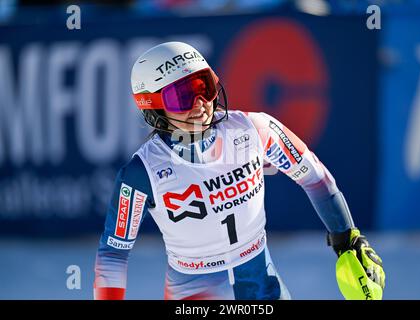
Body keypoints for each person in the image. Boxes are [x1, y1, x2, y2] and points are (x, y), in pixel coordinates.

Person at [93, 41, 385, 300]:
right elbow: (114, 252)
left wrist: (347, 239)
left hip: (263, 286)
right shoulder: (142, 172)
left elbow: (315, 178)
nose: (200, 104)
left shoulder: (256, 129)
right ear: (153, 107)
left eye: (203, 87)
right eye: (182, 97)